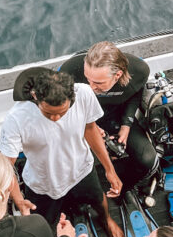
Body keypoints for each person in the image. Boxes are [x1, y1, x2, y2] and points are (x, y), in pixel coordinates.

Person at [0, 69, 125, 237]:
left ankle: (107, 221)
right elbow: (6, 167)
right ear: (36, 97)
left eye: (62, 113)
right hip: (43, 183)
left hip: (82, 168)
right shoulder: (16, 118)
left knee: (98, 199)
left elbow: (90, 129)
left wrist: (110, 170)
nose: (56, 119)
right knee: (44, 223)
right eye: (49, 114)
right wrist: (19, 201)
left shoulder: (84, 93)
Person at [61, 41, 157, 189]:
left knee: (147, 159)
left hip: (115, 115)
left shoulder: (139, 70)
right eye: (87, 79)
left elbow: (135, 93)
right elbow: (61, 108)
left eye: (98, 83)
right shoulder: (70, 70)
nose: (91, 88)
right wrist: (89, 127)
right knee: (66, 165)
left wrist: (126, 125)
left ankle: (124, 187)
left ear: (117, 75)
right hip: (81, 119)